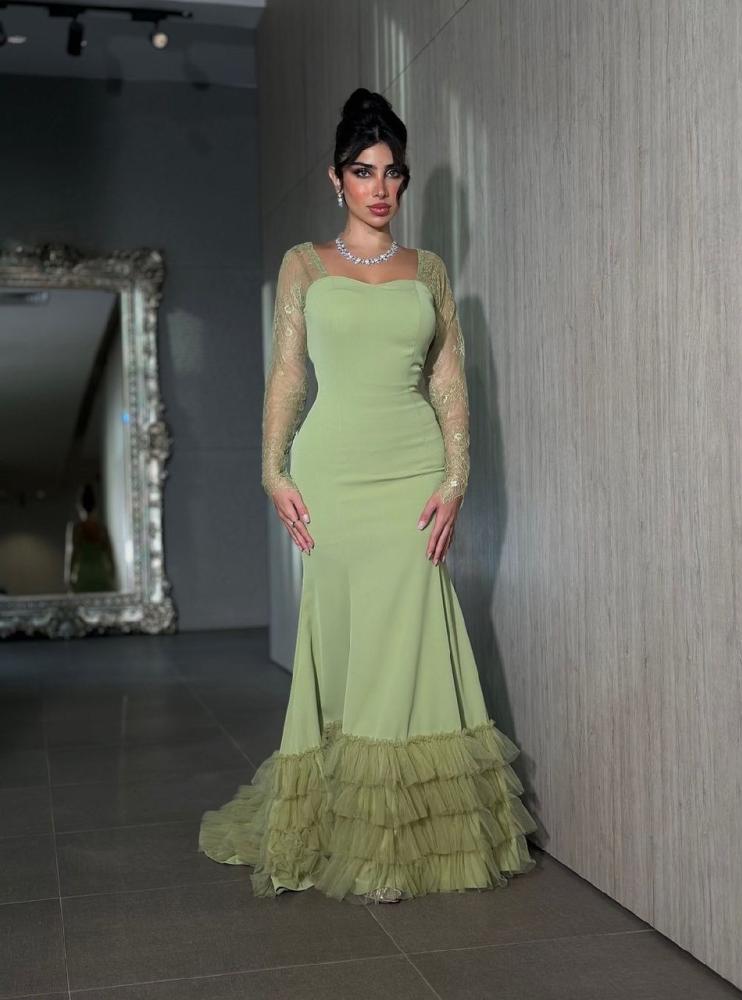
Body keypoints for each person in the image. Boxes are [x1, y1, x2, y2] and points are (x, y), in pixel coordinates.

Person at [198, 88, 537, 904]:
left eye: (392, 172)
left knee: (411, 632)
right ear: (336, 178)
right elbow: (289, 375)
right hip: (334, 475)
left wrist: (455, 480)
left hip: (412, 473)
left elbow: (449, 380)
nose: (379, 187)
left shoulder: (429, 270)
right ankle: (344, 828)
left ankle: (411, 841)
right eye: (363, 171)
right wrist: (273, 470)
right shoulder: (305, 265)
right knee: (346, 639)